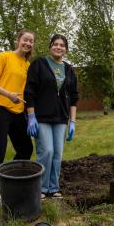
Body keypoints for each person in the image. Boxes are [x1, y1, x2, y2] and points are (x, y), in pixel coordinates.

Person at [24, 34, 79, 199]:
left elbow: (74, 97)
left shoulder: (69, 70)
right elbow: (30, 91)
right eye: (55, 44)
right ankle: (41, 188)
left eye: (62, 45)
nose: (58, 47)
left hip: (61, 118)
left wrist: (73, 121)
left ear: (66, 49)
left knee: (57, 153)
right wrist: (31, 116)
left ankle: (53, 188)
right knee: (46, 151)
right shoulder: (39, 64)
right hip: (41, 116)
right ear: (50, 47)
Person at [0, 29, 35, 207]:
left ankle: (8, 177)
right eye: (25, 40)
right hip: (0, 109)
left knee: (26, 148)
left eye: (31, 41)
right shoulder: (4, 57)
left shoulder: (28, 65)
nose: (28, 43)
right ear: (18, 40)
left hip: (18, 112)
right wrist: (7, 94)